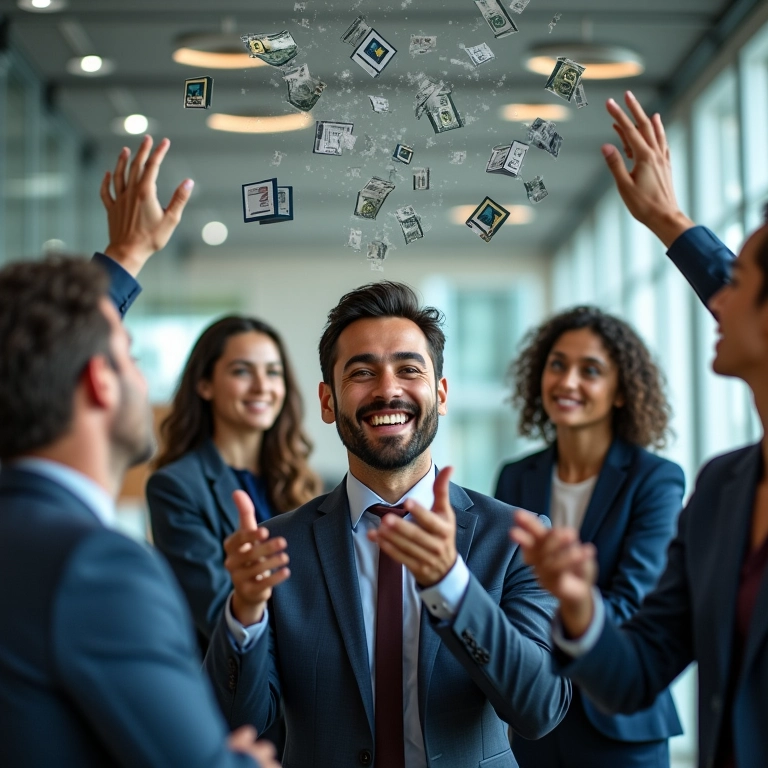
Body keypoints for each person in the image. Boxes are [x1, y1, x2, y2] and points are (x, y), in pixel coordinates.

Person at [204, 281, 572, 768]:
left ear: (440, 393)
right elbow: (237, 722)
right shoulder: (279, 547)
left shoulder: (516, 539)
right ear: (328, 400)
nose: (387, 390)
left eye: (409, 369)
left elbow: (540, 708)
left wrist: (454, 588)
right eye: (361, 372)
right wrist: (245, 612)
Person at [0, 136, 279, 768]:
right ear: (99, 380)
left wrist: (127, 256)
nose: (146, 381)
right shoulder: (98, 568)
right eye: (131, 358)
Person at [512, 92, 768, 768]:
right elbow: (635, 670)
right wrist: (574, 604)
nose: (720, 299)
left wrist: (672, 222)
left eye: (735, 280)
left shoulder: (663, 478)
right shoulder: (722, 489)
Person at [495, 305, 684, 767]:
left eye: (591, 370)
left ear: (621, 391)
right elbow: (501, 592)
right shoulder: (516, 477)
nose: (568, 381)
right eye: (557, 364)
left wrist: (545, 621)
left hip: (619, 725)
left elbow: (635, 605)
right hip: (532, 722)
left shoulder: (655, 480)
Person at [146, 315, 321, 653]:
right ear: (205, 384)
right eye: (242, 371)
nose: (261, 386)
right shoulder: (175, 486)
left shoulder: (299, 478)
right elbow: (215, 614)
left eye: (273, 372)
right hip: (233, 685)